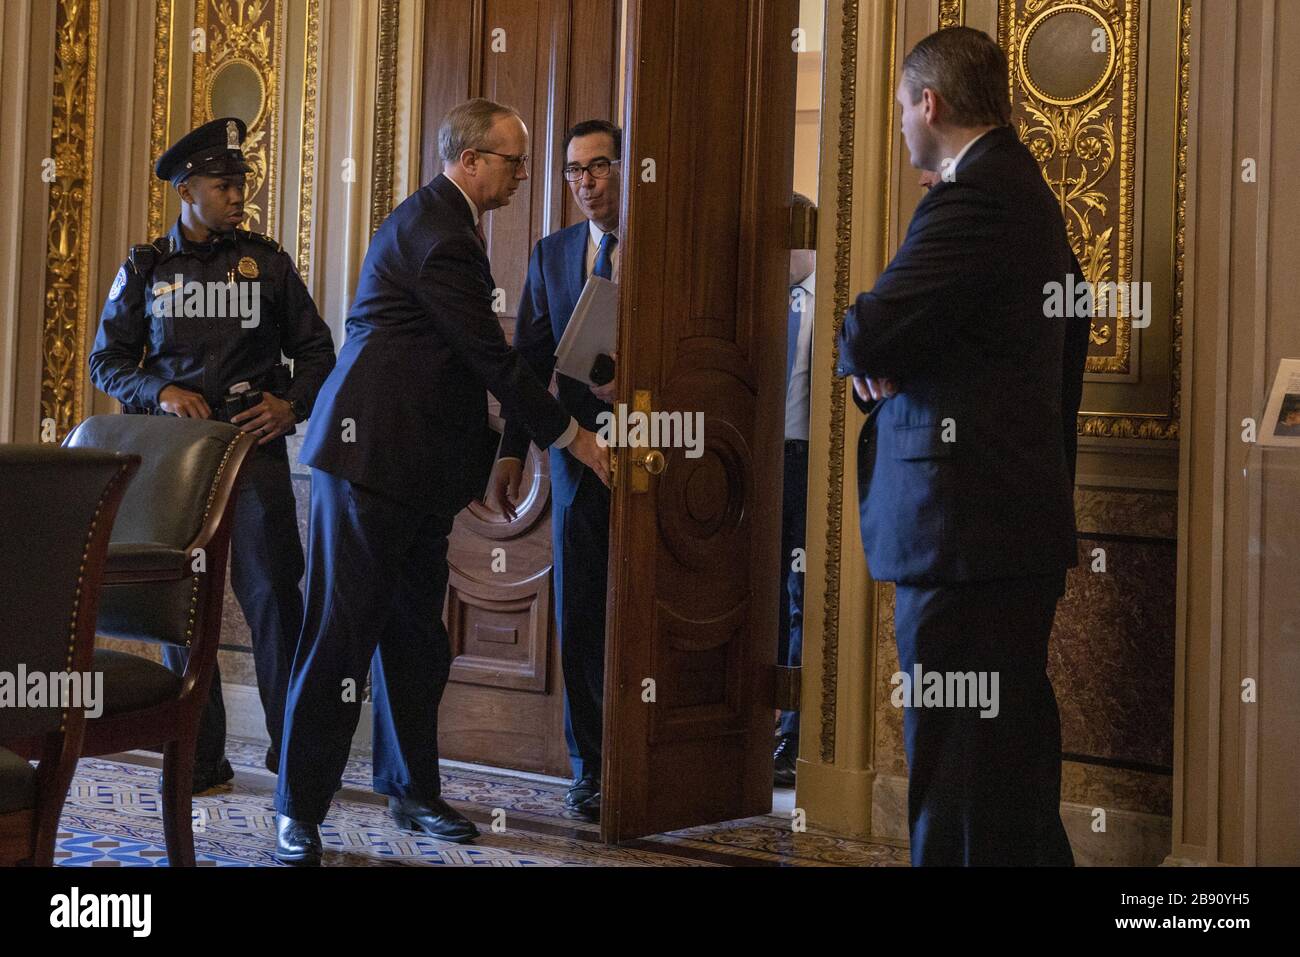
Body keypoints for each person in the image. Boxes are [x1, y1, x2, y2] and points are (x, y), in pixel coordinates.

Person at [274, 98, 610, 865]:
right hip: (369, 464)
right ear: (469, 160)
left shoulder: (447, 225)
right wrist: (572, 437)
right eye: (514, 160)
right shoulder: (440, 235)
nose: (524, 175)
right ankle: (297, 807)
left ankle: (411, 787)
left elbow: (454, 369)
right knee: (339, 637)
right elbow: (492, 360)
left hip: (413, 469)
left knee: (415, 640)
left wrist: (498, 451)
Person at [836, 27, 1090, 866]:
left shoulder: (972, 197)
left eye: (903, 104)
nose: (903, 120)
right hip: (1007, 532)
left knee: (958, 778)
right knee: (1008, 774)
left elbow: (868, 329)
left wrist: (875, 355)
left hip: (965, 536)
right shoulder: (1027, 191)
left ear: (929, 103)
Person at [89, 117, 336, 794]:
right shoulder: (146, 268)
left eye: (241, 184)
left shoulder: (267, 262)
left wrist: (290, 404)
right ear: (186, 188)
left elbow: (318, 352)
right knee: (182, 607)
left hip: (251, 453)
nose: (238, 196)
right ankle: (198, 754)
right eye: (225, 184)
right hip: (178, 464)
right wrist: (159, 388)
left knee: (274, 602)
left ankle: (293, 761)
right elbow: (105, 361)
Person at [487, 119, 622, 819]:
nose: (587, 182)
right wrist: (513, 452)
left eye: (599, 166)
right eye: (574, 171)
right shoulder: (552, 254)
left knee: (645, 610)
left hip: (655, 447)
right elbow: (529, 367)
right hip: (575, 459)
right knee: (582, 611)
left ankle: (650, 757)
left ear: (625, 169)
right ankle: (590, 766)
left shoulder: (657, 247)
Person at [774, 193, 815, 787]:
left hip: (807, 466)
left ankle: (794, 733)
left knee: (801, 596)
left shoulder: (831, 302)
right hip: (752, 465)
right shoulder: (762, 303)